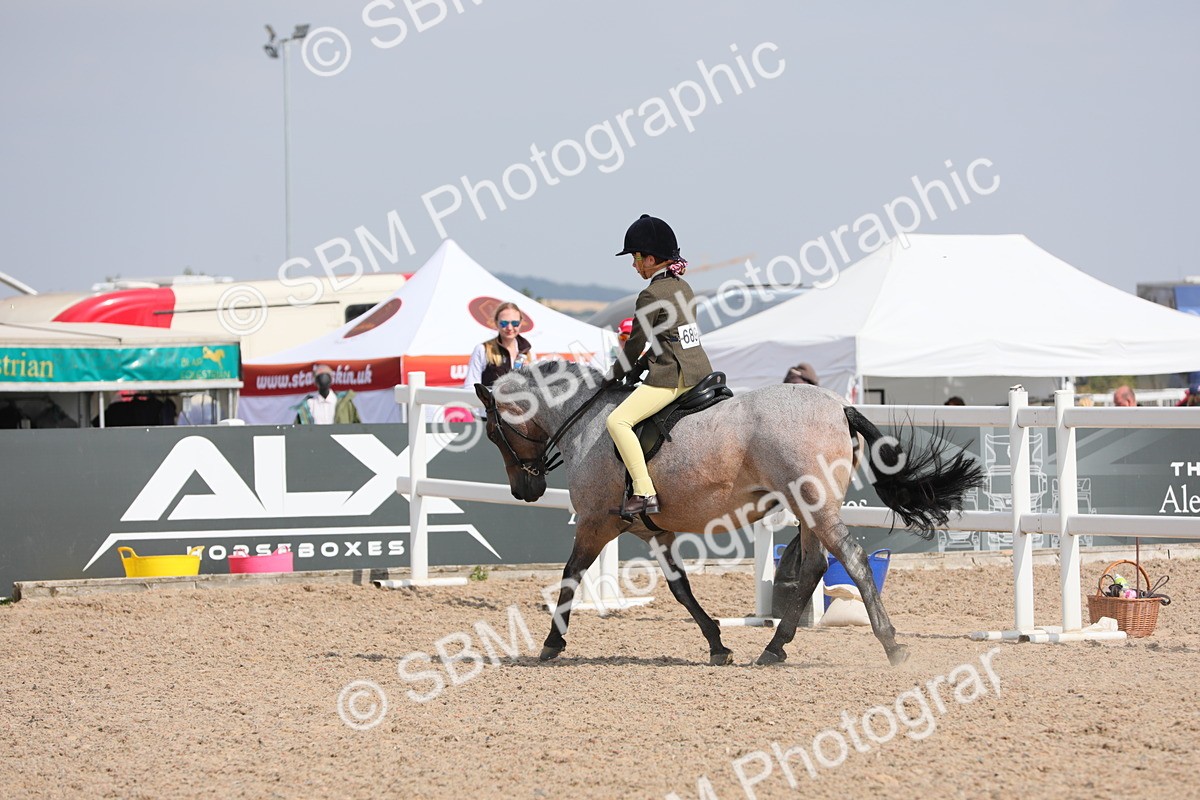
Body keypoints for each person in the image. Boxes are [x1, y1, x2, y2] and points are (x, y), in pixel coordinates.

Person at [607, 214, 713, 516]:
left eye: (636, 258)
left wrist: (613, 376)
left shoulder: (651, 294)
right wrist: (643, 363)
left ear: (651, 259)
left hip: (673, 376)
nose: (633, 264)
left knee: (618, 421)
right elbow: (673, 335)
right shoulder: (684, 286)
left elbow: (635, 344)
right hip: (699, 369)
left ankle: (643, 491)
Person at [463, 302, 535, 393]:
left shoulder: (528, 352)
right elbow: (470, 387)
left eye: (515, 323)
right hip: (490, 407)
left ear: (520, 323)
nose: (509, 327)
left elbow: (535, 391)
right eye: (504, 323)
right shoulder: (483, 349)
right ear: (496, 323)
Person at [294, 364, 361, 424]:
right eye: (320, 377)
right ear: (315, 381)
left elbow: (357, 427)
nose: (323, 379)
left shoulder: (345, 404)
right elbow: (297, 431)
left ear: (331, 379)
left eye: (326, 376)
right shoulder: (307, 405)